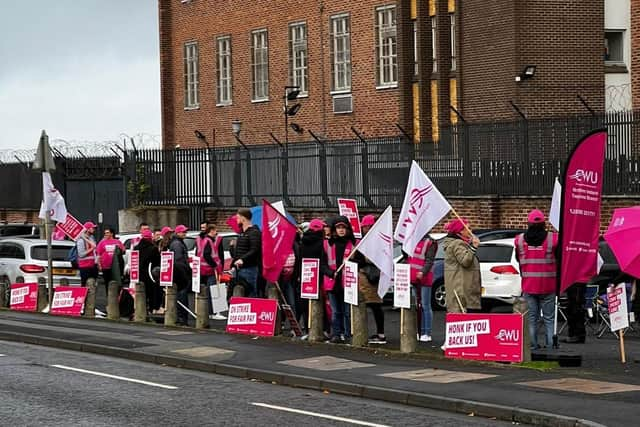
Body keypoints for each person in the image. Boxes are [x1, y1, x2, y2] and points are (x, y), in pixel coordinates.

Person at [514, 209, 558, 350]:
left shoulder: (520, 240)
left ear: (528, 223)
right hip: (548, 285)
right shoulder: (553, 239)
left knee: (531, 318)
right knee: (549, 319)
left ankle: (532, 346)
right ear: (544, 223)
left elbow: (518, 259)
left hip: (528, 285)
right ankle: (550, 346)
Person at [320, 215, 356, 344]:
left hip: (347, 283)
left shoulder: (352, 245)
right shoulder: (326, 244)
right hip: (332, 282)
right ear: (334, 229)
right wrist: (331, 273)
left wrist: (353, 260)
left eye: (343, 228)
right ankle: (336, 334)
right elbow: (322, 265)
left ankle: (347, 334)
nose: (341, 230)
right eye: (338, 227)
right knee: (335, 311)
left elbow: (360, 262)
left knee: (347, 311)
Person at [353, 214, 386, 345]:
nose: (365, 229)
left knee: (375, 305)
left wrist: (359, 259)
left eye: (367, 227)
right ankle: (375, 332)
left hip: (371, 276)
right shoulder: (363, 241)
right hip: (365, 276)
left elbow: (374, 259)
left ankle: (380, 334)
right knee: (370, 305)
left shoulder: (377, 241)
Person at [443, 218, 481, 313]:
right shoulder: (457, 244)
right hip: (461, 292)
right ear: (461, 231)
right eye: (468, 228)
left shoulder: (459, 243)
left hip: (461, 290)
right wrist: (473, 247)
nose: (470, 231)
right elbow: (465, 261)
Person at [298, 218, 328, 338]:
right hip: (319, 275)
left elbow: (300, 259)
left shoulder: (303, 241)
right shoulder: (322, 242)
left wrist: (299, 275)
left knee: (306, 303)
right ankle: (323, 329)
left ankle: (307, 328)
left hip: (306, 275)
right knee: (321, 303)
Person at [410, 233, 438, 342]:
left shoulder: (430, 242)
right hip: (413, 277)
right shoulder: (412, 240)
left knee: (425, 305)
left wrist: (423, 272)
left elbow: (429, 260)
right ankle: (418, 331)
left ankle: (427, 332)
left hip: (424, 278)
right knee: (416, 306)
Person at [196, 224, 226, 320]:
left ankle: (212, 312)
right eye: (215, 230)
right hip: (211, 269)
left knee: (211, 290)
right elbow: (207, 255)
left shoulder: (205, 240)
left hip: (207, 269)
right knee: (213, 290)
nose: (216, 232)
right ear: (211, 231)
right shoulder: (208, 241)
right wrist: (215, 265)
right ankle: (213, 312)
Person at [230, 208, 261, 298]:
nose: (237, 220)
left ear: (243, 219)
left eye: (238, 218)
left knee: (250, 294)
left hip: (249, 269)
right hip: (238, 269)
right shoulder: (242, 233)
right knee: (237, 293)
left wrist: (242, 259)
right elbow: (238, 252)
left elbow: (255, 249)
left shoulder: (254, 232)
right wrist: (232, 248)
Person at [135, 229, 161, 314]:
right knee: (151, 294)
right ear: (151, 237)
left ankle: (140, 311)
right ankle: (150, 311)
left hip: (138, 274)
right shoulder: (153, 249)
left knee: (140, 294)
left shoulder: (136, 248)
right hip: (150, 275)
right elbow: (158, 262)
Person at [170, 224, 192, 325]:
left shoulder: (178, 243)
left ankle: (181, 317)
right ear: (177, 233)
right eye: (183, 232)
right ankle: (182, 318)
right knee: (182, 295)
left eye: (185, 232)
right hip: (181, 273)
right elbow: (179, 261)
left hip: (179, 272)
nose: (185, 233)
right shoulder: (177, 244)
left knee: (180, 295)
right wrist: (187, 270)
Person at [96, 226, 125, 291]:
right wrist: (99, 264)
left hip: (116, 267)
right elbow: (98, 254)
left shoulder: (117, 242)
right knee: (107, 283)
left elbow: (123, 251)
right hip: (105, 266)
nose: (106, 234)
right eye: (105, 233)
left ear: (112, 234)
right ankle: (108, 297)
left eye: (107, 233)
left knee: (116, 282)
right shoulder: (102, 242)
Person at [77, 221, 98, 286]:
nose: (94, 230)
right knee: (85, 285)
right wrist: (92, 248)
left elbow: (95, 252)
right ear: (87, 229)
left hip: (93, 266)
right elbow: (81, 254)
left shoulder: (92, 238)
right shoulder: (81, 240)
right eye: (92, 228)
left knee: (93, 285)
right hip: (85, 267)